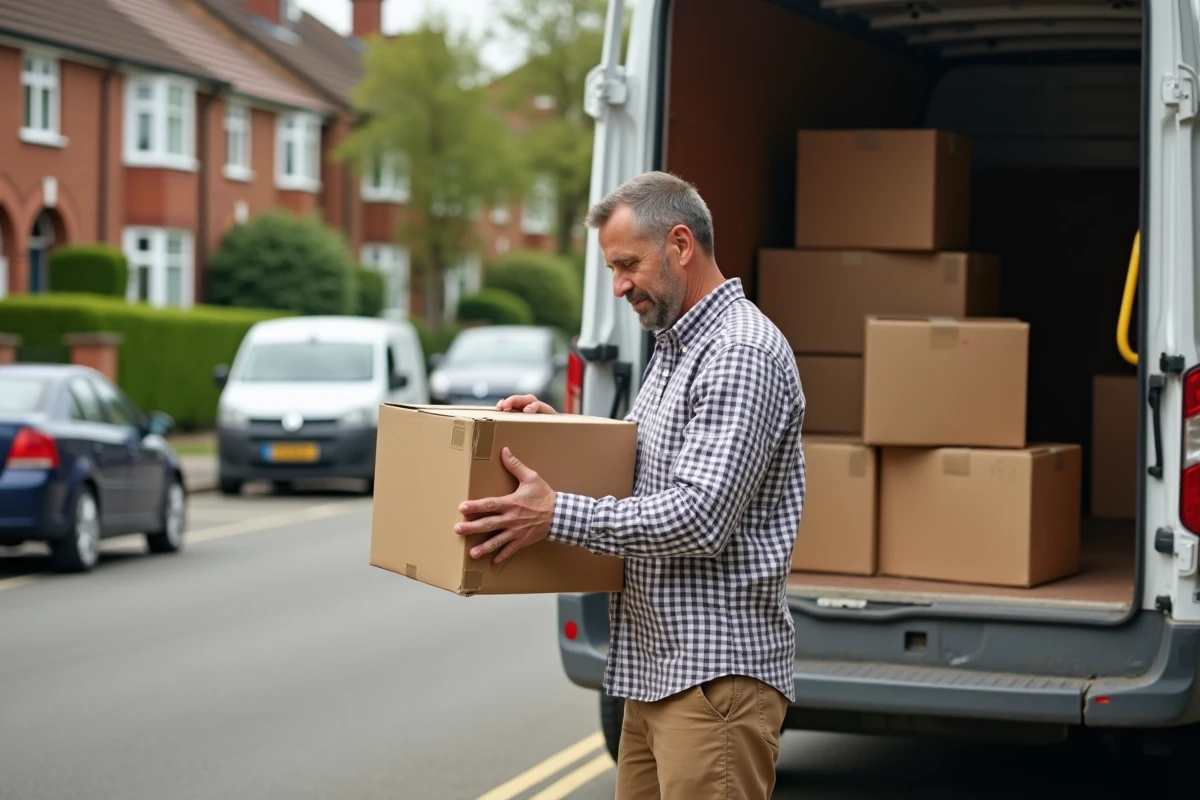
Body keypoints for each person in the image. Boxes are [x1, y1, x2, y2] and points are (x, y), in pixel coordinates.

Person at [454, 171, 805, 799]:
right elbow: (649, 475)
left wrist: (555, 513)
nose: (618, 286)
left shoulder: (739, 351)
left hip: (710, 681)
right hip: (655, 675)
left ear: (679, 244)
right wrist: (559, 442)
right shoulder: (675, 349)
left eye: (627, 265)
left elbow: (698, 516)